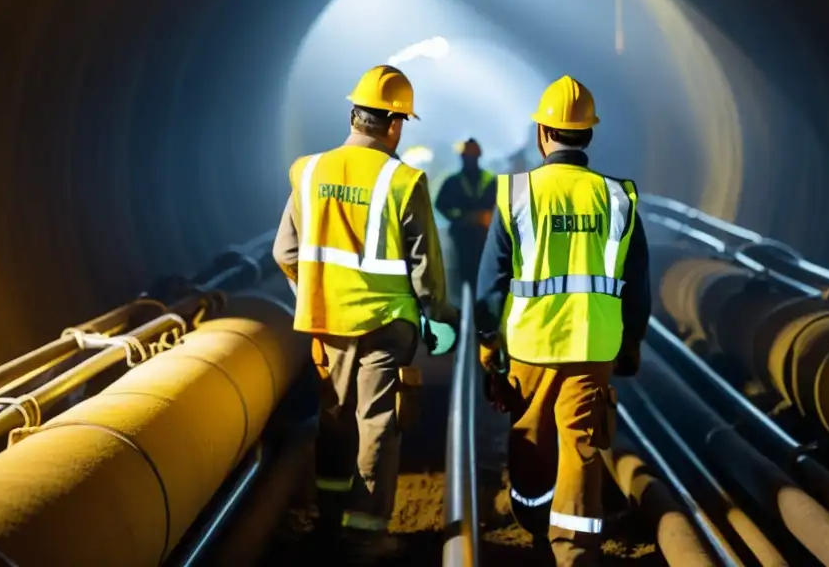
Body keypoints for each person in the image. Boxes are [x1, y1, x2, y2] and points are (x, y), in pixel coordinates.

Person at [273, 64, 458, 563]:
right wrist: (438, 315)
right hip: (384, 323)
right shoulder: (403, 179)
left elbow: (284, 252)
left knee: (333, 419)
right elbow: (424, 268)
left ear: (354, 116)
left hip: (324, 321)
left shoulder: (308, 170)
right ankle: (366, 534)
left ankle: (330, 522)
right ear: (394, 123)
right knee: (376, 422)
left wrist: (315, 287)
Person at [475, 75, 651, 567]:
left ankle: (532, 520)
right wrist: (632, 339)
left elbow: (492, 282)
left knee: (530, 438)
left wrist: (489, 347)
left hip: (531, 346)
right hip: (595, 345)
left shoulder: (516, 194)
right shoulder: (619, 198)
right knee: (581, 444)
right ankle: (574, 551)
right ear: (588, 135)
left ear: (542, 134)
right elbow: (636, 280)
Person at [434, 138, 497, 296]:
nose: (469, 159)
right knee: (464, 279)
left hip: (482, 238)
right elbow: (440, 205)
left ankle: (474, 311)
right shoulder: (453, 182)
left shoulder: (490, 181)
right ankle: (466, 311)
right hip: (464, 238)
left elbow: (501, 208)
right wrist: (463, 218)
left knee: (476, 280)